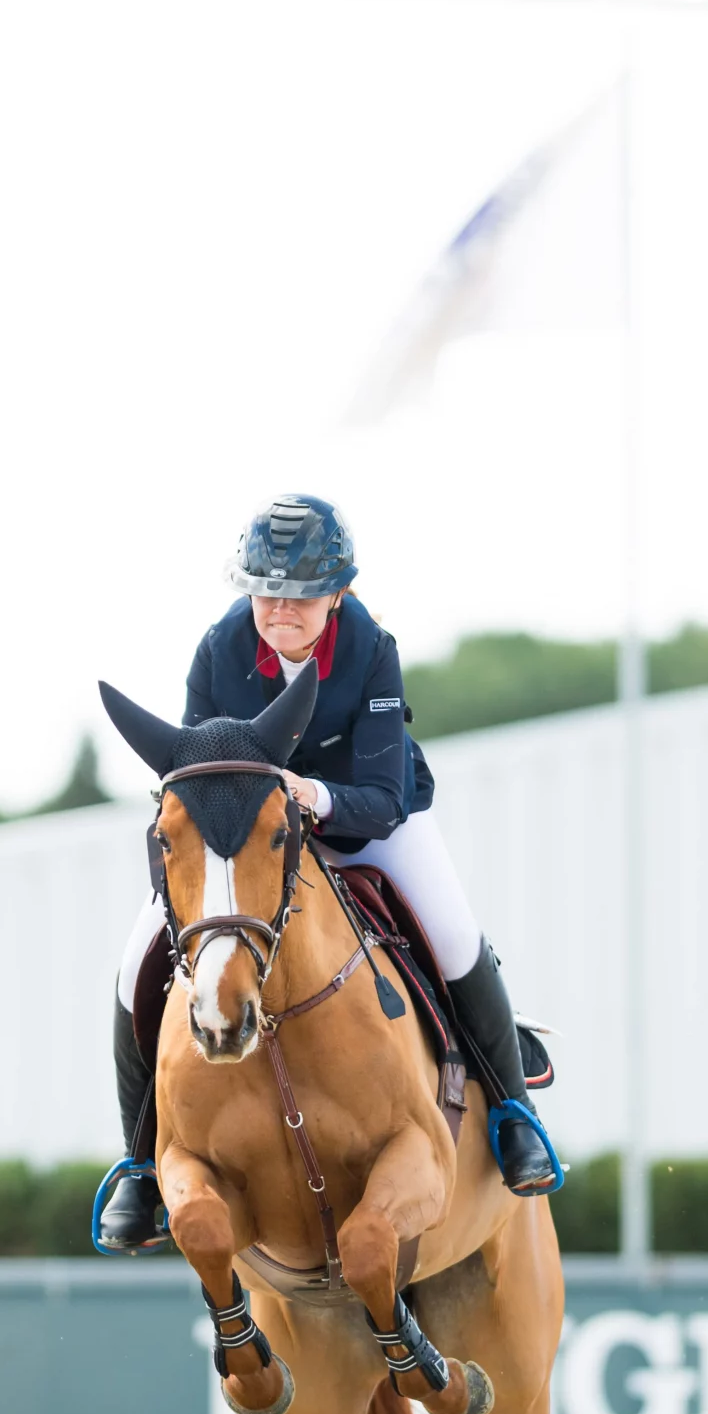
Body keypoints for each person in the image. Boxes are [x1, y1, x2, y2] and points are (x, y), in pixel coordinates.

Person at [98, 493, 562, 1253]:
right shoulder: (219, 649)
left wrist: (312, 796)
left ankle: (513, 1118)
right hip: (254, 843)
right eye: (267, 593)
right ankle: (140, 1167)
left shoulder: (369, 648)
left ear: (336, 595)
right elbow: (190, 771)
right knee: (133, 962)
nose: (280, 611)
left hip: (365, 822)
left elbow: (380, 795)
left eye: (301, 597)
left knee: (450, 931)